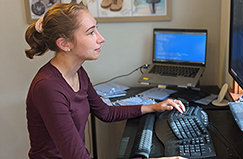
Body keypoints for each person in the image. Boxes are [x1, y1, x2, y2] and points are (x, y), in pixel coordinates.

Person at [25, 3, 186, 159]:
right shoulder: (48, 88)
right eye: (90, 33)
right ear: (64, 44)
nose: (101, 39)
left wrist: (153, 107)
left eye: (97, 29)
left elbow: (105, 112)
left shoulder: (78, 72)